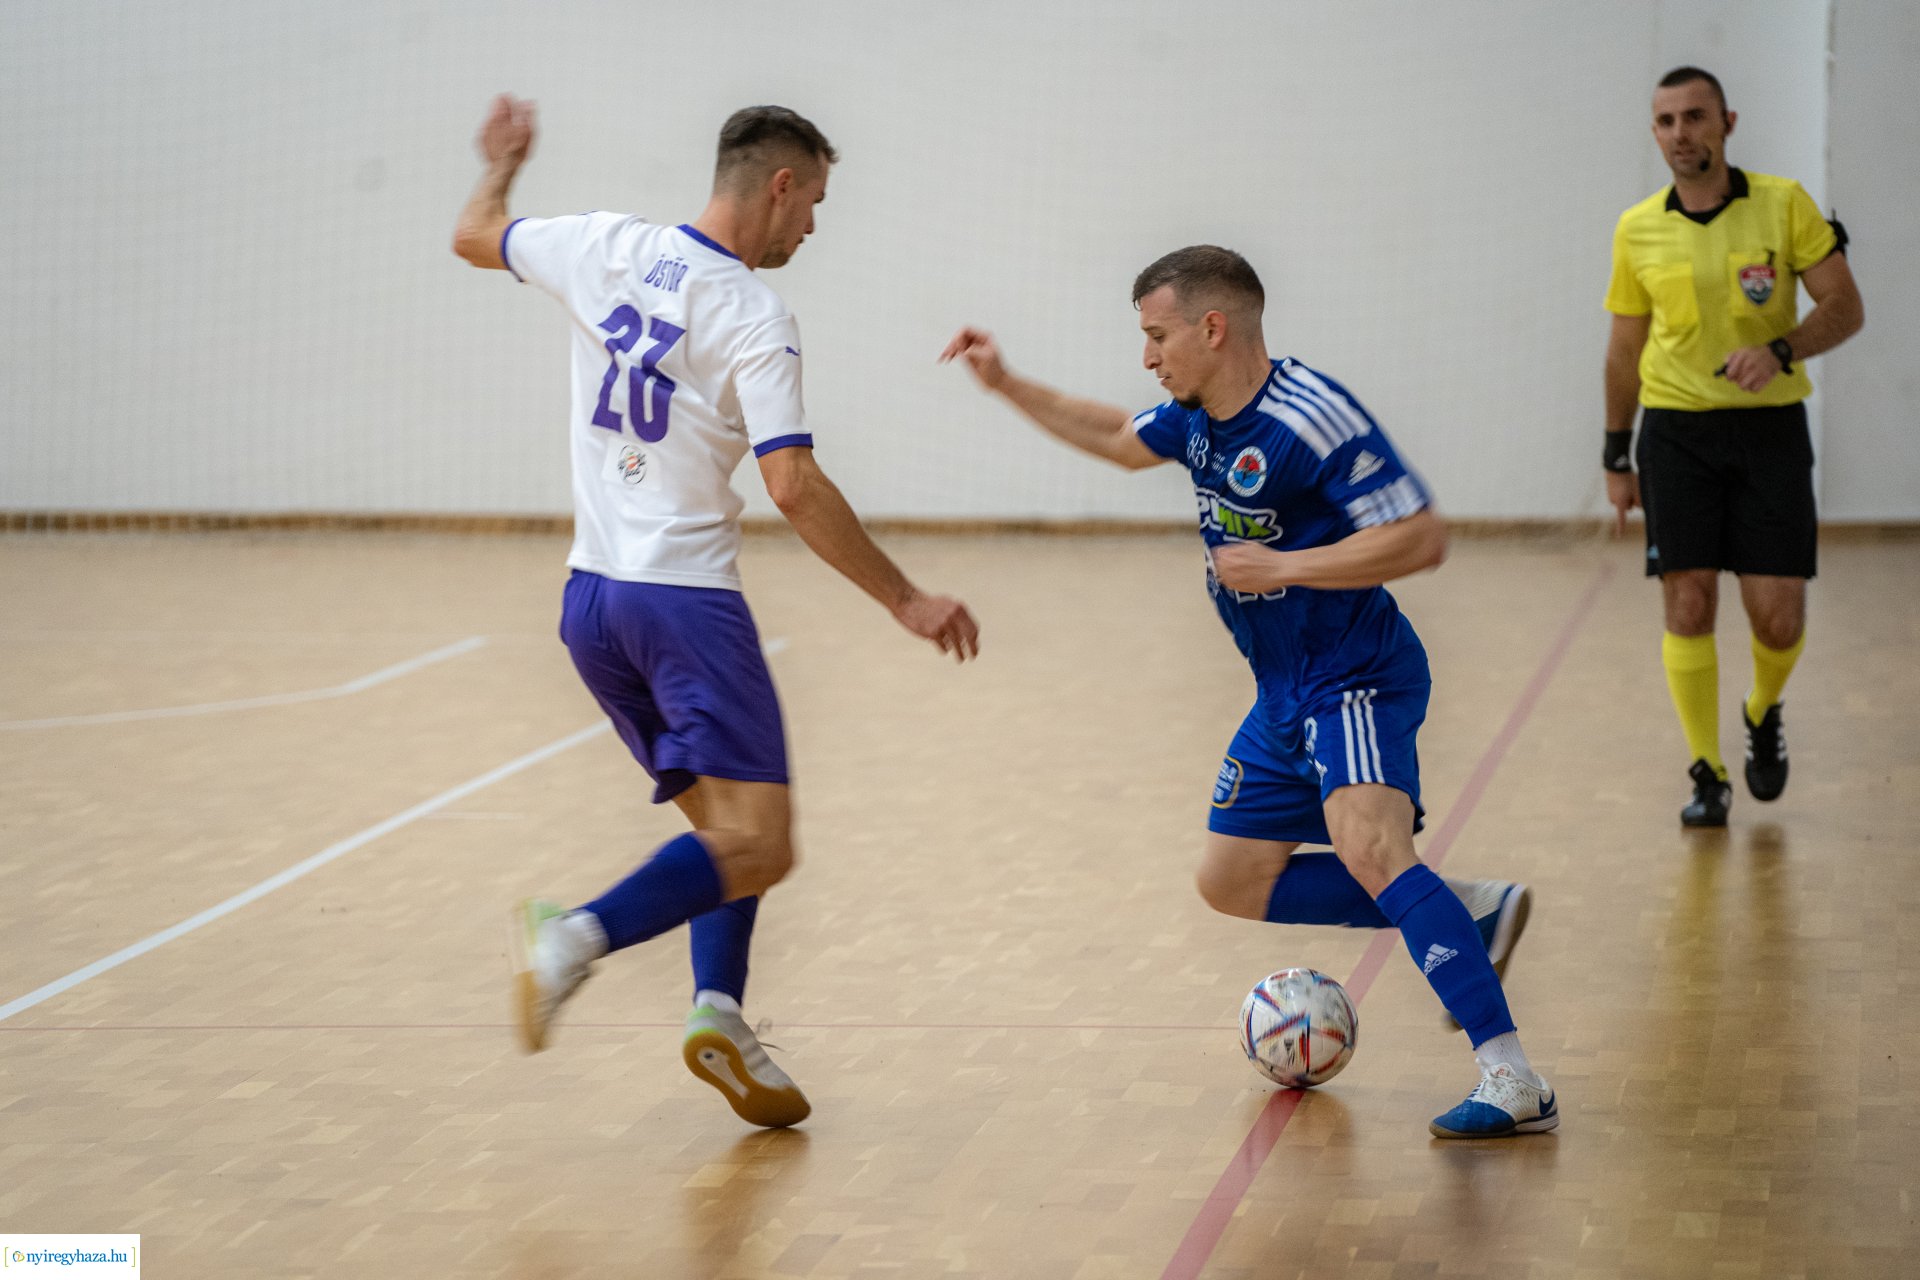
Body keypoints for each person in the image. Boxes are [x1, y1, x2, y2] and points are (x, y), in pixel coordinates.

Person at [943, 247, 1554, 1139]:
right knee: (1230, 879)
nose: (1149, 358)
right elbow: (1118, 439)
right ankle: (1463, 910)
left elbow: (1422, 537)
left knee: (1370, 847)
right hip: (1281, 688)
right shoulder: (1197, 421)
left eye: (1157, 337)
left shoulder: (1310, 417)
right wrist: (1006, 384)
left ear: (1212, 327)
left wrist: (1288, 564)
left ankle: (1514, 1079)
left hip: (1354, 673)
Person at [452, 95, 979, 1128]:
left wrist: (505, 164)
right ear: (779, 184)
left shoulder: (601, 244)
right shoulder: (752, 313)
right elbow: (794, 486)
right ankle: (575, 936)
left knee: (724, 831)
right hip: (684, 604)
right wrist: (905, 598)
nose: (814, 227)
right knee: (765, 843)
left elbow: (473, 235)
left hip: (591, 604)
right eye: (815, 201)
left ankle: (719, 1012)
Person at [1602, 66, 1864, 827]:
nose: (1681, 133)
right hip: (1676, 432)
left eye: (1695, 117)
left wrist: (1781, 350)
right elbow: (1623, 350)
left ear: (1727, 122)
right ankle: (1708, 771)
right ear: (1655, 134)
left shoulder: (1784, 205)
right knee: (1687, 601)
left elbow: (1845, 307)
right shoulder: (1637, 227)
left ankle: (1761, 710)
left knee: (1777, 619)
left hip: (1769, 432)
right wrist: (1617, 456)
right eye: (1666, 121)